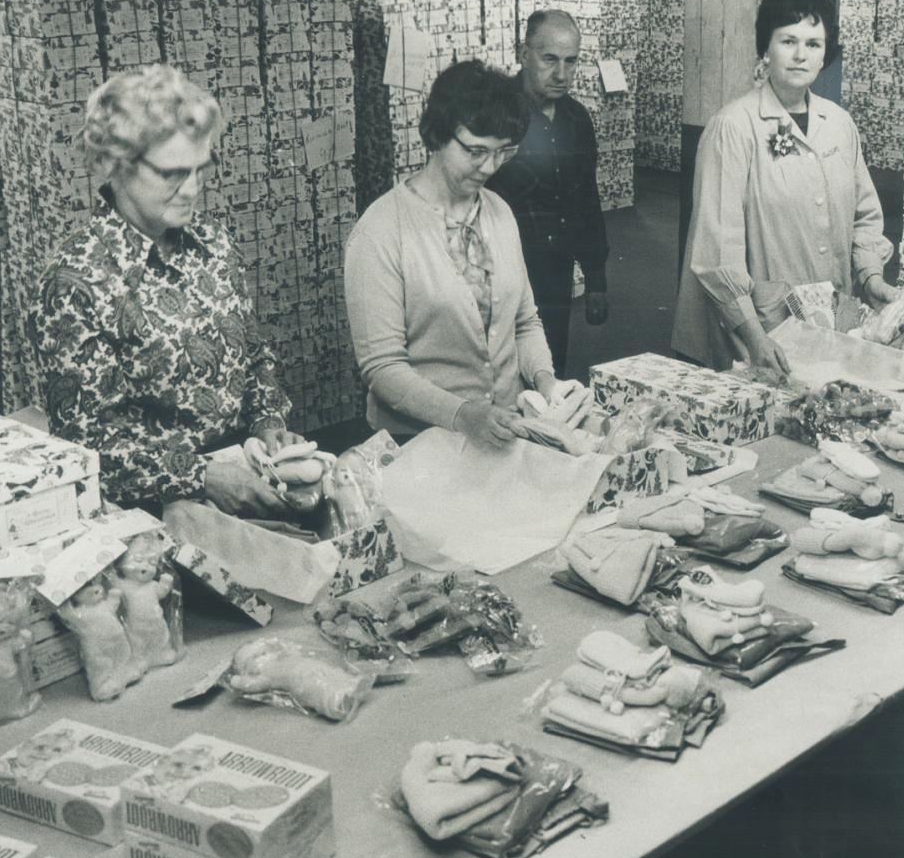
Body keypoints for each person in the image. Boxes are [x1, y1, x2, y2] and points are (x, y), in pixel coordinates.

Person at [30, 64, 301, 516]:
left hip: (244, 476)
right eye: (172, 173)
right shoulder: (74, 284)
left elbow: (255, 354)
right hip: (149, 515)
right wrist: (200, 476)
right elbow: (88, 446)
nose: (192, 189)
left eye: (200, 170)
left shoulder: (213, 241)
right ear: (113, 165)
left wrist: (269, 420)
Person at [671, 0, 897, 374]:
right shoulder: (734, 127)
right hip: (755, 331)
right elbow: (716, 249)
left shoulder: (839, 125)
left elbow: (864, 216)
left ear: (826, 53)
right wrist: (754, 335)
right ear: (766, 48)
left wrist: (872, 276)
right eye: (787, 40)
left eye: (813, 44)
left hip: (829, 318)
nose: (799, 55)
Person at [344, 60, 558, 449]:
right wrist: (462, 414)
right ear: (437, 135)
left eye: (502, 152)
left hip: (501, 432)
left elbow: (524, 323)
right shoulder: (380, 231)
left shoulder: (499, 213)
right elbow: (383, 368)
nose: (489, 167)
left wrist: (546, 380)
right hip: (417, 440)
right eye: (475, 151)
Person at [486, 9, 611, 378]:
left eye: (571, 61)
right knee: (498, 381)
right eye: (550, 60)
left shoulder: (577, 119)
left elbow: (587, 201)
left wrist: (596, 279)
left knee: (549, 373)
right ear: (524, 54)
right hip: (499, 277)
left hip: (555, 275)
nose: (562, 74)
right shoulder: (491, 116)